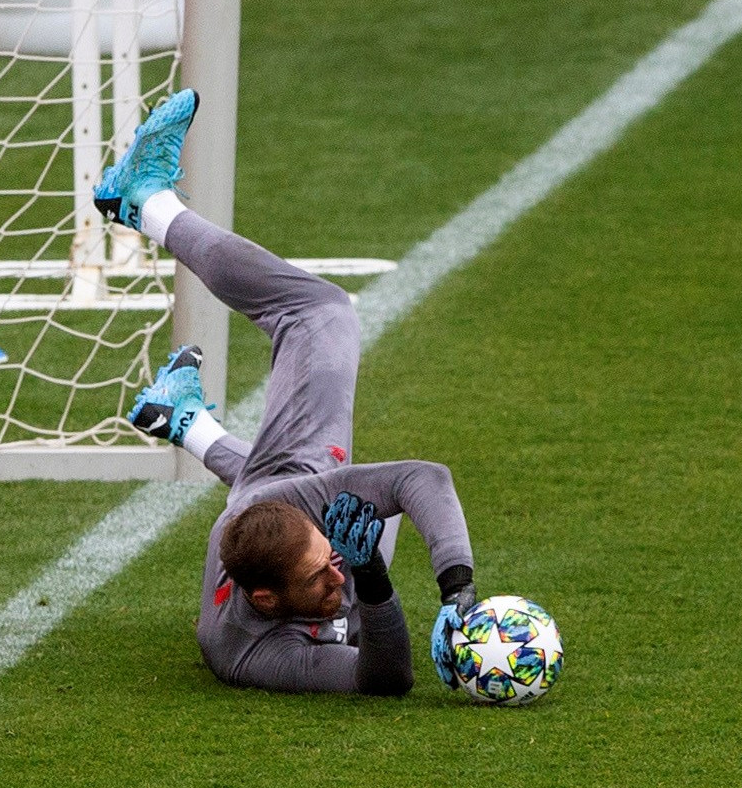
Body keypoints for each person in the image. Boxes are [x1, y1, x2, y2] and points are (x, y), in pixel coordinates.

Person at [94, 89, 478, 696]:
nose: (337, 574)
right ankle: (182, 418)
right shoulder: (246, 653)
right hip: (270, 492)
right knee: (325, 501)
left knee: (318, 312)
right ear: (267, 599)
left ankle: (146, 203)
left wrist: (457, 586)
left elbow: (424, 479)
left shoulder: (305, 509)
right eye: (322, 573)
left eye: (331, 559)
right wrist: (371, 576)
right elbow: (385, 680)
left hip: (283, 485)